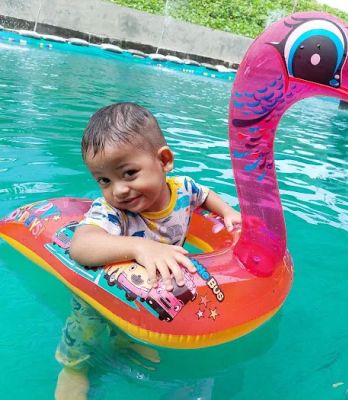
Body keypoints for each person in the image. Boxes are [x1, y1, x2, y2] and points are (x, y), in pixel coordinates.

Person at [55, 102, 242, 399]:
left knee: (136, 318)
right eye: (104, 180)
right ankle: (73, 369)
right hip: (101, 293)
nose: (117, 190)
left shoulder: (182, 188)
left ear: (164, 160)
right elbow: (81, 246)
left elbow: (205, 196)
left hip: (142, 292)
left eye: (128, 173)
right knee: (85, 330)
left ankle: (123, 342)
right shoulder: (112, 212)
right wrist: (140, 246)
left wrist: (228, 212)